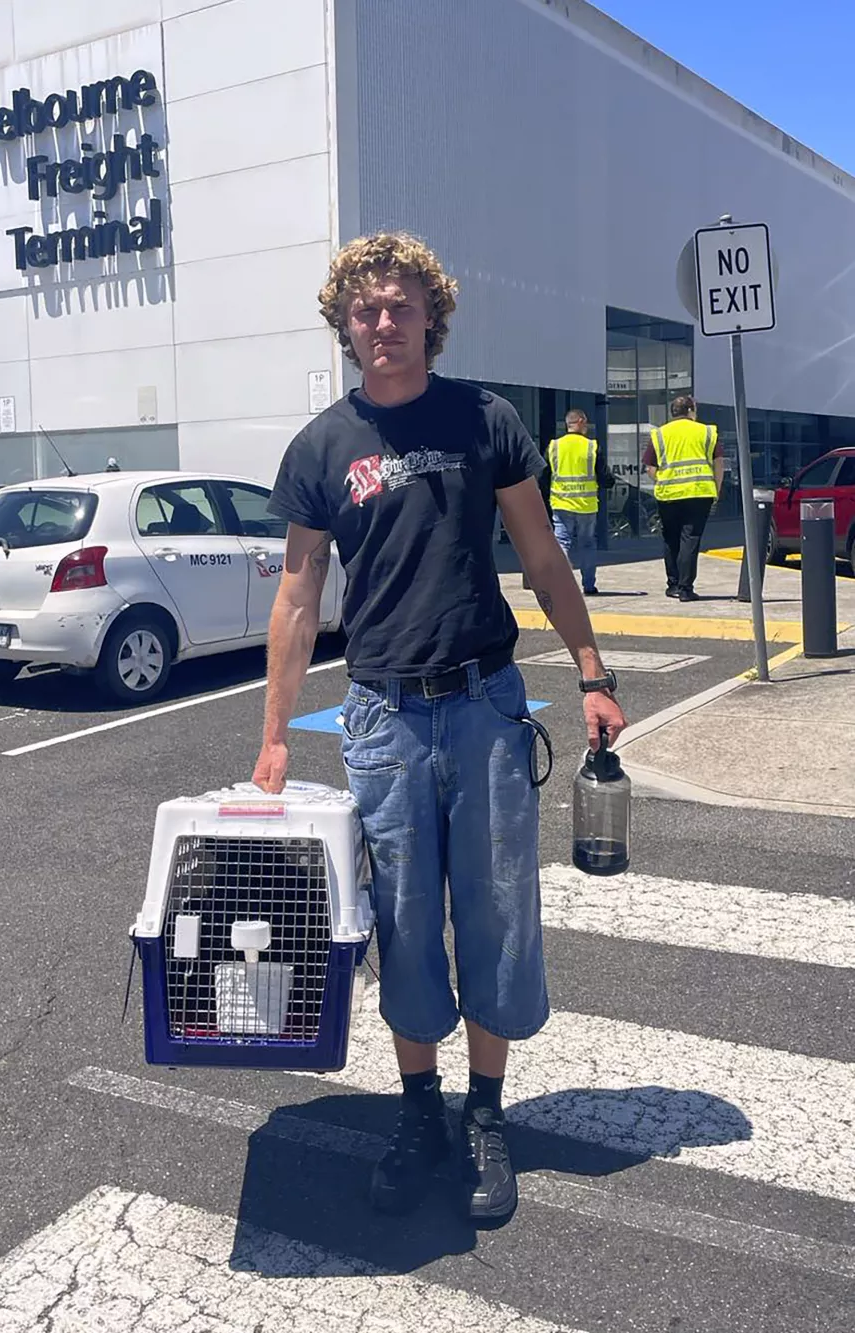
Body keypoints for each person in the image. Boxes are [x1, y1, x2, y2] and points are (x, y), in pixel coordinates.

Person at [251, 232, 626, 1226]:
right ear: (346, 325)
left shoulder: (484, 420)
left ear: (431, 317)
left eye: (400, 306)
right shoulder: (323, 446)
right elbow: (297, 596)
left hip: (484, 702)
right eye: (365, 310)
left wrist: (590, 670)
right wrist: (276, 732)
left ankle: (486, 1113)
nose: (383, 324)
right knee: (406, 922)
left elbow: (542, 554)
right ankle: (421, 1112)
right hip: (379, 715)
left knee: (496, 916)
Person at [643, 395, 723, 602]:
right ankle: (686, 589)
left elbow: (650, 468)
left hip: (668, 495)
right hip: (699, 493)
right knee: (691, 539)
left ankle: (673, 585)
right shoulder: (706, 432)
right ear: (690, 410)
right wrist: (717, 490)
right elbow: (719, 464)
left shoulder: (660, 434)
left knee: (671, 539)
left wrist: (664, 479)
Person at [546, 409, 611, 596]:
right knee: (588, 544)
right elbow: (604, 476)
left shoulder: (554, 446)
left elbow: (543, 475)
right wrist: (609, 483)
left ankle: (561, 583)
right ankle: (589, 586)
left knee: (562, 543)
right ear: (581, 421)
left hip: (561, 503)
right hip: (586, 505)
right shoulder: (591, 446)